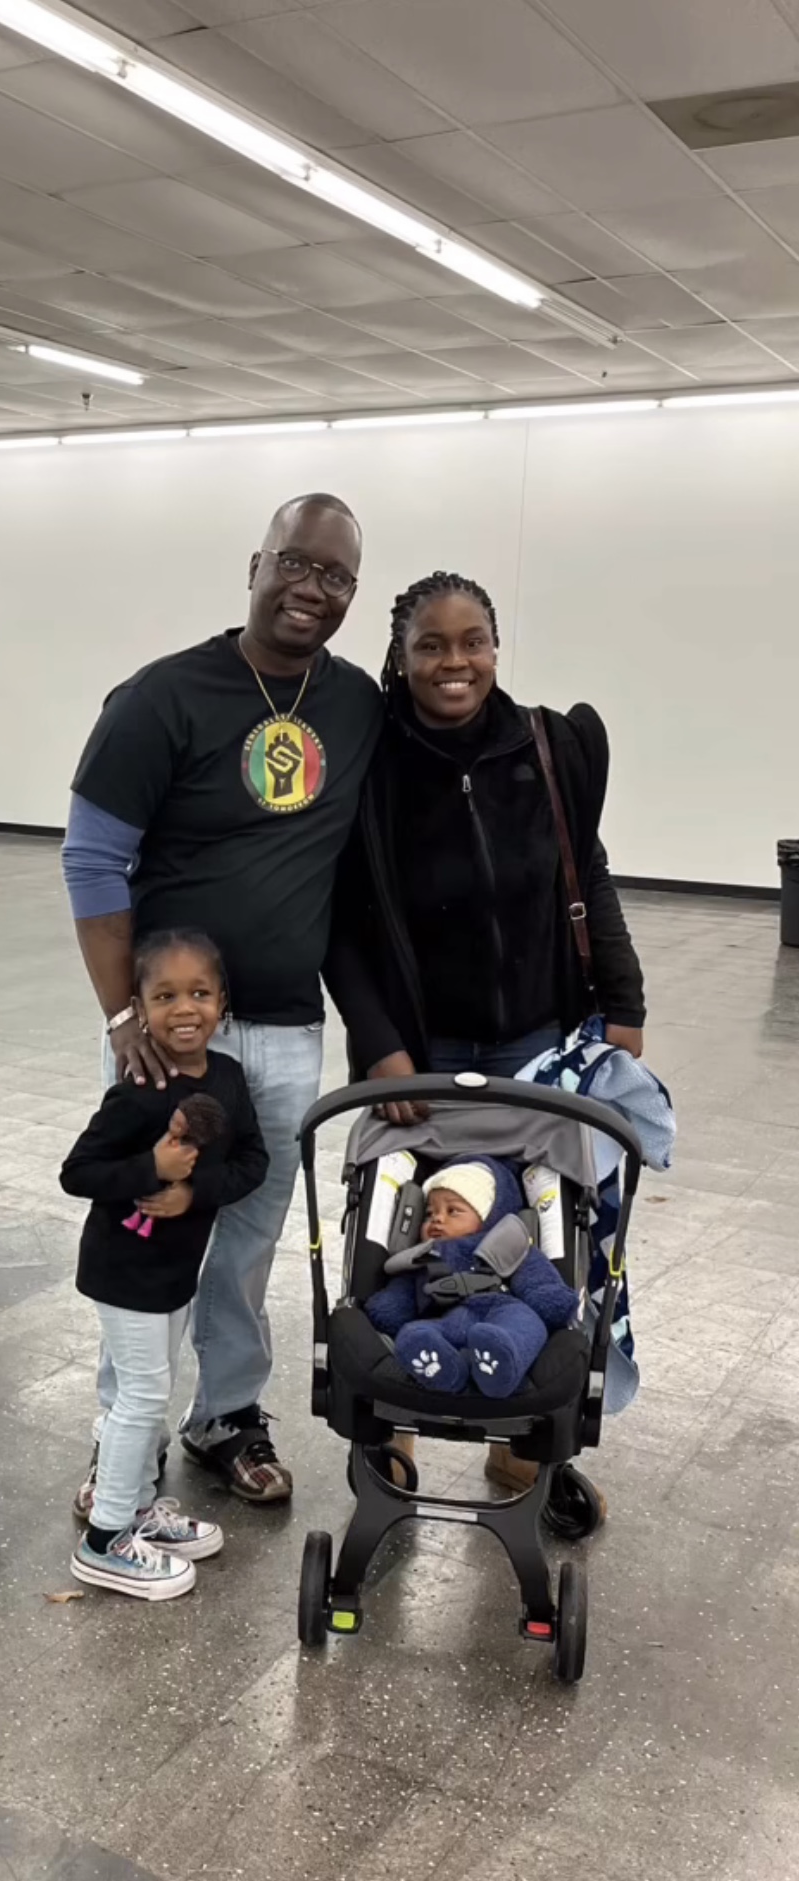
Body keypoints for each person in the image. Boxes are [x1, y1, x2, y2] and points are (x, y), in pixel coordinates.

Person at [62, 494, 380, 1506]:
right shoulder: (162, 698)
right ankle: (126, 1431)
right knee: (148, 1227)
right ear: (256, 564)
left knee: (245, 1233)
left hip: (285, 1027)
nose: (311, 588)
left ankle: (225, 1415)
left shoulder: (355, 704)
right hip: (168, 1031)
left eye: (335, 575)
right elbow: (91, 860)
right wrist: (124, 1018)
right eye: (295, 562)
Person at [325, 569, 645, 1491]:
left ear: (495, 647)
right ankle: (394, 1420)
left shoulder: (548, 746)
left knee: (540, 1227)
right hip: (416, 1052)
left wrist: (623, 1004)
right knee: (406, 1230)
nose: (453, 661)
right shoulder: (371, 765)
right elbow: (340, 923)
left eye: (471, 641)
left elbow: (586, 875)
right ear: (400, 657)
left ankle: (524, 1430)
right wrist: (378, 1042)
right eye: (430, 645)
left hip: (536, 1042)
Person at [60, 931, 268, 1599]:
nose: (185, 1009)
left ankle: (140, 1507)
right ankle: (105, 1540)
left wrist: (192, 1191)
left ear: (222, 1002)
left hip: (177, 1270)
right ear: (140, 1008)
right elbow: (78, 1172)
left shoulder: (227, 1078)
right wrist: (149, 1167)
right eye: (165, 995)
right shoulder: (139, 1088)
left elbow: (252, 1161)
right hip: (123, 1271)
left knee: (151, 1389)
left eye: (199, 993)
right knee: (143, 1398)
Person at [364, 1159, 578, 1397]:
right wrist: (389, 1308)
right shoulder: (421, 1256)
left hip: (503, 1309)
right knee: (412, 1333)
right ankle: (445, 1370)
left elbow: (536, 1279)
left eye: (452, 1211)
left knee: (528, 1325)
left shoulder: (507, 1244)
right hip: (445, 1318)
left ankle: (501, 1364)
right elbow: (400, 1295)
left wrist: (549, 1298)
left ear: (489, 1215)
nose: (437, 1219)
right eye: (429, 1213)